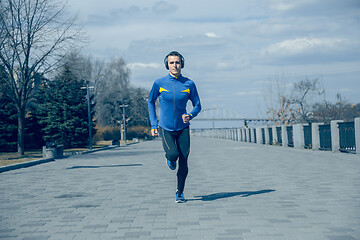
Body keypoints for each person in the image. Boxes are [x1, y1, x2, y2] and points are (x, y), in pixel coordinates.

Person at [148, 51, 201, 203]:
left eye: (177, 62)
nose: (175, 65)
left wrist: (190, 115)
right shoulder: (159, 83)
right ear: (167, 65)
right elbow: (150, 102)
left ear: (181, 64)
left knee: (184, 160)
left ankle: (180, 192)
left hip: (183, 127)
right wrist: (153, 124)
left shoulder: (189, 84)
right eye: (172, 63)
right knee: (173, 155)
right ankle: (169, 159)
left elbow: (197, 105)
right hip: (165, 128)